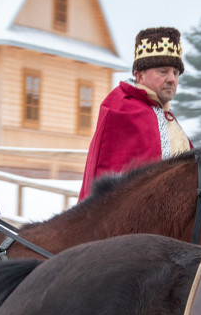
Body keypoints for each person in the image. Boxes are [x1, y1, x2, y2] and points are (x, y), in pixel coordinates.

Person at [78, 26, 191, 201]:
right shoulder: (122, 109)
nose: (172, 79)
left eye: (175, 73)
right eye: (163, 71)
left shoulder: (168, 119)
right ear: (140, 76)